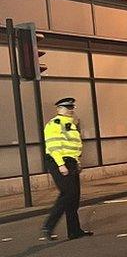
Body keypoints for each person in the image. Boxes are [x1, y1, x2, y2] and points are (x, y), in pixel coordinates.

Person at [41, 98, 93, 241]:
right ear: (59, 109)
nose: (70, 110)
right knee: (68, 193)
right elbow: (53, 146)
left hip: (70, 161)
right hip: (59, 161)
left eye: (71, 107)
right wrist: (60, 164)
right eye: (67, 107)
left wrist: (76, 161)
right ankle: (48, 226)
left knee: (74, 197)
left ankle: (74, 230)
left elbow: (74, 146)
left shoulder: (71, 124)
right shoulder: (54, 124)